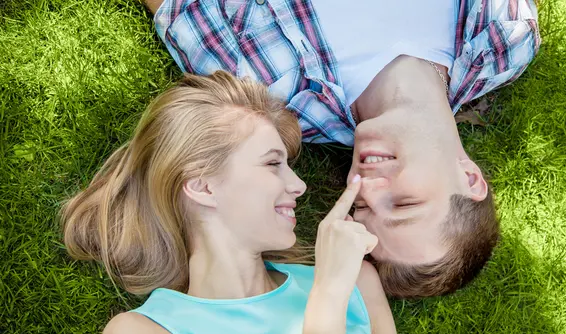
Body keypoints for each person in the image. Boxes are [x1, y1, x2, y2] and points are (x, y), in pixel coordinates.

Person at [143, 0, 540, 298]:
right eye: (404, 205)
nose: (366, 188)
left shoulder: (270, 89)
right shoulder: (505, 38)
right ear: (469, 178)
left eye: (361, 208)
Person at [61, 72, 419, 334]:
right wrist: (327, 297)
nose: (299, 185)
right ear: (203, 187)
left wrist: (337, 286)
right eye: (272, 163)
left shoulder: (357, 282)